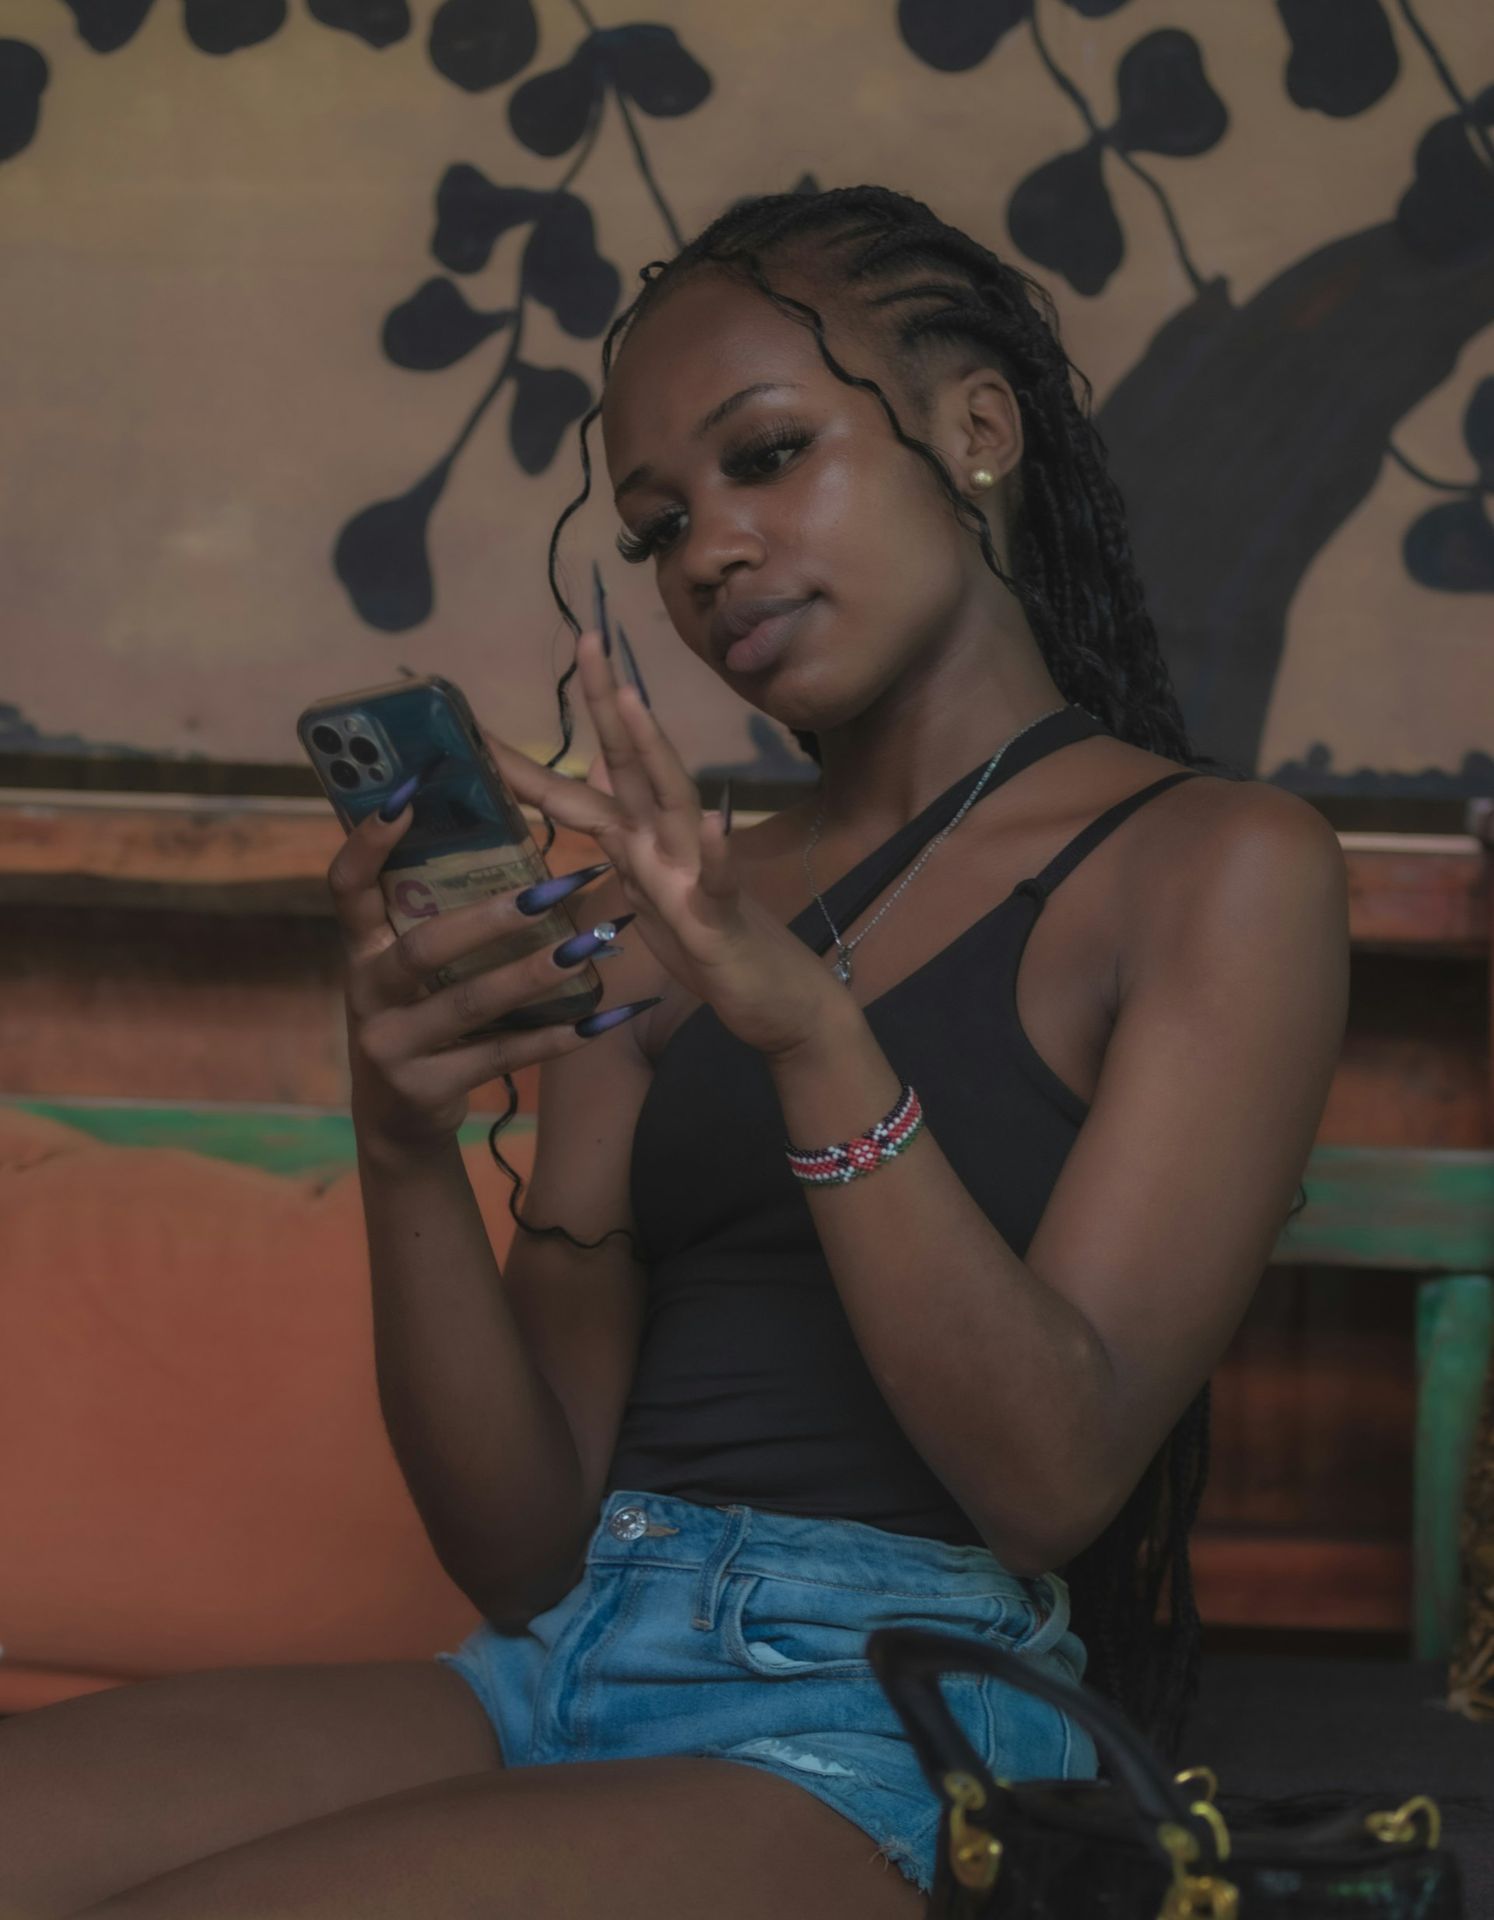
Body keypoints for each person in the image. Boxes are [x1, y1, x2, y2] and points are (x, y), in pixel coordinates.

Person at [0, 185, 1349, 1918]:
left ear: (975, 428)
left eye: (767, 456)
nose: (707, 551)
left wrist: (809, 1031)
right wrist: (404, 1138)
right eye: (656, 525)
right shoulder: (665, 915)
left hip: (897, 1716)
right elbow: (519, 1547)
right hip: (559, 1658)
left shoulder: (1214, 868)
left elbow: (1049, 1480)